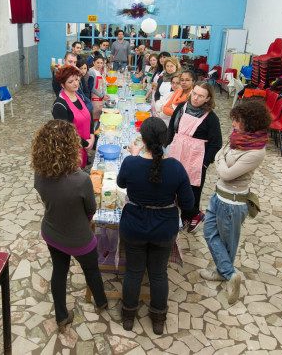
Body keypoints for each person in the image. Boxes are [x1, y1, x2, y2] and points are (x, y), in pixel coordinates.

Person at [117, 117, 196, 334]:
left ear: (142, 139)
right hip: (164, 229)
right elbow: (189, 204)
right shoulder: (176, 167)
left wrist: (133, 157)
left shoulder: (131, 163)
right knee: (158, 273)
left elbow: (121, 183)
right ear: (165, 140)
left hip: (134, 226)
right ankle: (158, 318)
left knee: (133, 271)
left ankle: (128, 315)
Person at [31, 120, 107, 333]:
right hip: (79, 239)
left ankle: (62, 316)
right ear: (70, 148)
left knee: (59, 271)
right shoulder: (81, 180)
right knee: (91, 270)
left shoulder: (39, 173)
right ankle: (101, 302)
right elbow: (90, 211)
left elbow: (46, 197)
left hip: (52, 233)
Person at [200, 100, 271, 304]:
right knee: (209, 232)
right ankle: (228, 272)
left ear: (250, 123)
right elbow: (219, 156)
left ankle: (225, 273)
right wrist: (220, 157)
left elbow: (226, 172)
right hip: (218, 196)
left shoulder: (256, 151)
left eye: (238, 120)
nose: (233, 124)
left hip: (232, 203)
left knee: (228, 243)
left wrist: (220, 159)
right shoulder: (238, 139)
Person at [167, 81, 222, 233]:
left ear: (208, 99)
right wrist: (163, 146)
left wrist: (204, 164)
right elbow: (171, 130)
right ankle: (184, 215)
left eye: (201, 96)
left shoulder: (211, 118)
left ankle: (193, 215)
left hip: (196, 158)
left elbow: (216, 144)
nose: (196, 98)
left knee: (191, 189)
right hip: (178, 151)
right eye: (194, 94)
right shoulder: (181, 108)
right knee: (175, 185)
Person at [51, 66, 94, 168]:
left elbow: (88, 116)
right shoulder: (59, 105)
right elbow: (66, 133)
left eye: (76, 79)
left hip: (84, 146)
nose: (75, 83)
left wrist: (92, 137)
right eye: (70, 82)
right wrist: (86, 143)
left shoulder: (79, 96)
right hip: (70, 152)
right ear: (62, 85)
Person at [88, 54, 109, 125]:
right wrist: (102, 96)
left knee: (98, 121)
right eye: (98, 62)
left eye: (101, 63)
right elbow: (92, 88)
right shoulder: (91, 72)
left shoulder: (99, 72)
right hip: (94, 100)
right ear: (93, 62)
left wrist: (104, 95)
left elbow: (101, 86)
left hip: (100, 100)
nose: (99, 65)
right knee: (94, 122)